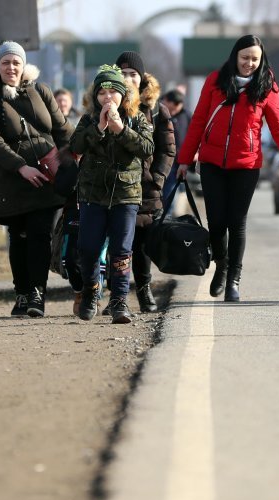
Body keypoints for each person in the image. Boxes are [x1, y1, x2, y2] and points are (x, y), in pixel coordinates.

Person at [177, 34, 279, 302]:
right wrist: (184, 159)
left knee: (237, 222)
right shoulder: (215, 80)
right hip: (211, 164)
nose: (250, 64)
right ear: (235, 56)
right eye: (245, 58)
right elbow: (198, 120)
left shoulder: (267, 85)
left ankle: (233, 278)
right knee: (217, 222)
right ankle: (221, 265)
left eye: (255, 59)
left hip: (246, 164)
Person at [0, 41, 74, 317]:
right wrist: (21, 167)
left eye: (16, 62)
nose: (11, 67)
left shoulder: (40, 90)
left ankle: (37, 294)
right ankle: (21, 293)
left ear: (23, 66)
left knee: (41, 234)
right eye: (6, 62)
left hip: (47, 176)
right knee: (18, 237)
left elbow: (61, 127)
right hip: (12, 179)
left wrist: (79, 152)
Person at [69, 64, 154, 323]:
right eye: (102, 93)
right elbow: (75, 145)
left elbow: (147, 148)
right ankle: (91, 291)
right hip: (92, 194)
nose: (108, 98)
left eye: (113, 92)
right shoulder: (88, 119)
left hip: (126, 194)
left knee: (122, 249)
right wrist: (99, 128)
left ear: (123, 95)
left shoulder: (137, 117)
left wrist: (121, 130)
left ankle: (119, 301)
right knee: (88, 248)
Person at [115, 50, 175, 314]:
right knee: (117, 243)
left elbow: (168, 149)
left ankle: (144, 290)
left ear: (141, 78)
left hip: (146, 188)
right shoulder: (107, 103)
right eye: (123, 74)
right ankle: (116, 297)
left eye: (133, 74)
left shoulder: (156, 110)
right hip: (114, 187)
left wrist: (158, 178)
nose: (128, 79)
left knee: (141, 244)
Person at [160, 88, 191, 203]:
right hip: (160, 160)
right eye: (171, 110)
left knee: (170, 197)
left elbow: (194, 134)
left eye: (175, 111)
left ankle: (165, 219)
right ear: (166, 101)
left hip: (177, 163)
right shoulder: (155, 111)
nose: (172, 113)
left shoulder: (186, 115)